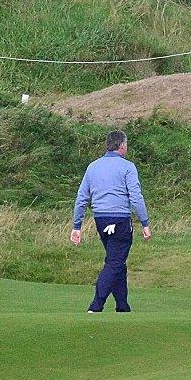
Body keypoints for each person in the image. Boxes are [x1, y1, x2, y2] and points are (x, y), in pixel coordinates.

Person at [70, 130, 152, 313]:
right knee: (114, 263)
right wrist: (145, 222)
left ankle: (123, 306)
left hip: (101, 219)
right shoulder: (128, 167)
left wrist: (77, 226)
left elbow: (82, 198)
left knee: (117, 261)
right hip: (120, 220)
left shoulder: (93, 167)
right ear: (122, 145)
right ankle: (96, 305)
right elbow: (136, 197)